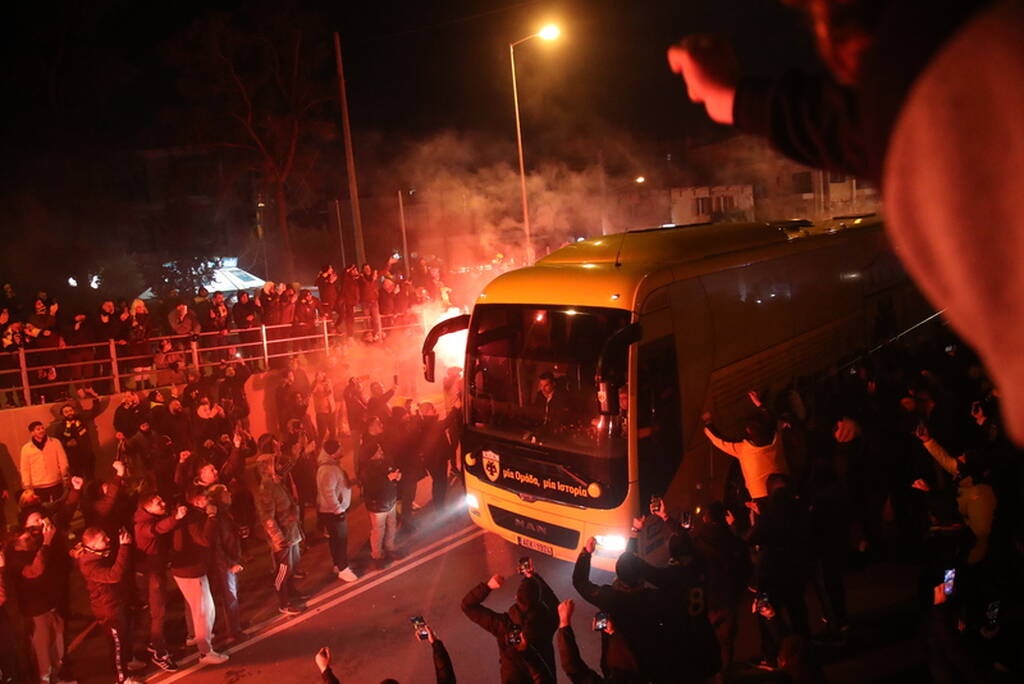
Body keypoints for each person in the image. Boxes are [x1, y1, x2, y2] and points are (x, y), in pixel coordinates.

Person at [666, 1, 1024, 446]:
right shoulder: (941, 77)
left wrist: (731, 97)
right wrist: (733, 97)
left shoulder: (934, 86)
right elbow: (836, 122)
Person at [71, 527, 146, 684]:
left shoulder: (98, 554)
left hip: (116, 603)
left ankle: (128, 662)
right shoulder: (89, 565)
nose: (108, 540)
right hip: (108, 610)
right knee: (117, 644)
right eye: (102, 539)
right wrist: (124, 547)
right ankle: (122, 678)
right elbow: (114, 575)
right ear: (92, 545)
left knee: (124, 638)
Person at [461, 572, 558, 683]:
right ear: (538, 601)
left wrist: (488, 586)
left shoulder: (503, 625)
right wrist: (536, 578)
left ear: (516, 598)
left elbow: (467, 606)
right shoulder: (546, 623)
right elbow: (557, 607)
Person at [170, 485, 229, 664]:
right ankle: (205, 651)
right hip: (191, 571)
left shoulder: (191, 515)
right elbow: (204, 540)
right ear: (196, 500)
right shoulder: (194, 518)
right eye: (205, 498)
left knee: (200, 607)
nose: (208, 501)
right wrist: (211, 517)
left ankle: (198, 637)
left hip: (188, 569)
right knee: (203, 610)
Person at [133, 491, 184, 671]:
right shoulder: (143, 525)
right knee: (158, 612)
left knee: (158, 611)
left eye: (161, 499)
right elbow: (157, 529)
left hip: (155, 572)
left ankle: (154, 642)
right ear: (147, 507)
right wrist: (175, 518)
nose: (162, 503)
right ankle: (158, 651)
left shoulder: (147, 517)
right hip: (152, 575)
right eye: (158, 502)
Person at [255, 442, 307, 615]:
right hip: (282, 538)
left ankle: (291, 593)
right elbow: (267, 518)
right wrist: (278, 538)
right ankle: (283, 603)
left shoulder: (276, 483)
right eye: (274, 463)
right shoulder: (266, 488)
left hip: (290, 532)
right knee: (282, 570)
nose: (278, 466)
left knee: (291, 567)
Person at [357, 416, 402, 568]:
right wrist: (388, 479)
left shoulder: (385, 459)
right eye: (378, 451)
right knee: (378, 530)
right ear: (372, 455)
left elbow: (392, 470)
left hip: (390, 499)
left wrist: (396, 475)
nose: (381, 451)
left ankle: (390, 547)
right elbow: (371, 486)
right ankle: (377, 555)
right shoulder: (367, 470)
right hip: (377, 504)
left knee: (392, 524)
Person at [316, 439, 358, 582]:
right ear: (333, 453)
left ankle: (337, 565)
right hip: (333, 512)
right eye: (340, 448)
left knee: (336, 540)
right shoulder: (328, 469)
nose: (342, 450)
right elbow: (328, 492)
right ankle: (343, 569)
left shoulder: (331, 466)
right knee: (340, 540)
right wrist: (338, 510)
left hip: (333, 511)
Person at [20, 420, 70, 503]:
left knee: (60, 504)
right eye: (38, 429)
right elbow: (25, 468)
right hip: (38, 484)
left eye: (42, 428)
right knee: (43, 507)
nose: (41, 430)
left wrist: (65, 475)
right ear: (32, 433)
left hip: (55, 481)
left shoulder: (55, 442)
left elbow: (62, 460)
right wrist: (27, 485)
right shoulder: (26, 448)